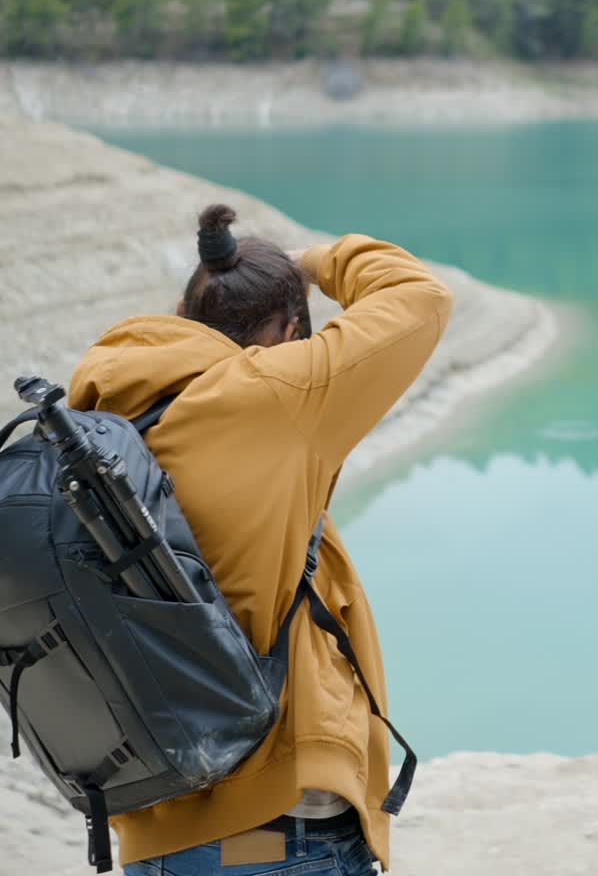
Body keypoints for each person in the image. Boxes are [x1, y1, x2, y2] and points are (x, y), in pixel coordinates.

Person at [70, 203, 454, 876]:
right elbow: (418, 294)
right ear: (285, 329)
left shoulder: (101, 412)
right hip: (277, 839)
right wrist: (311, 264)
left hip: (157, 839)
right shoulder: (274, 395)